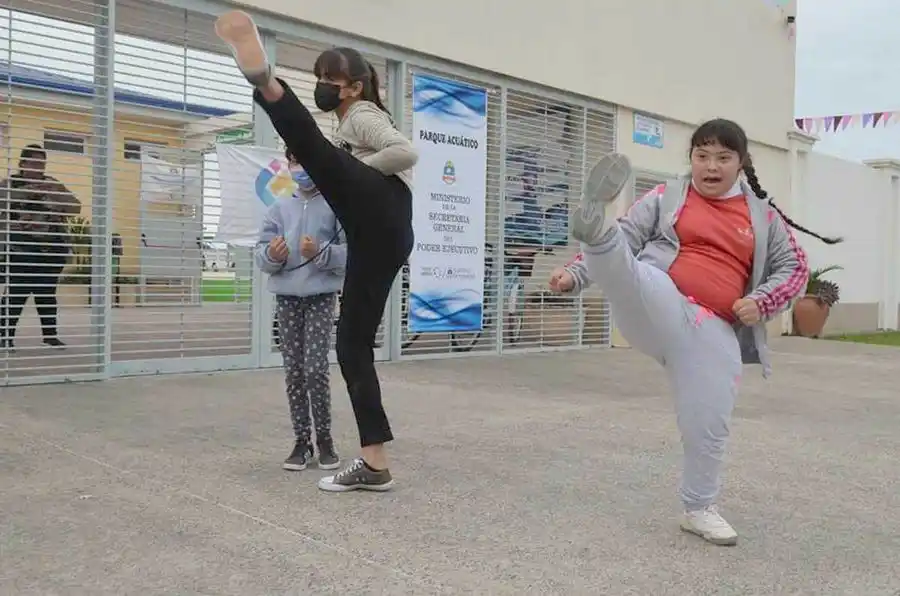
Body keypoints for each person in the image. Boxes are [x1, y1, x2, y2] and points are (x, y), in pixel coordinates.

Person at [550, 118, 841, 546]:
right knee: (637, 276)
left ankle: (699, 509)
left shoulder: (762, 215)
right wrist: (575, 275)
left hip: (715, 330)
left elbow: (795, 269)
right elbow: (632, 235)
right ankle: (595, 229)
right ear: (690, 159)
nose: (711, 166)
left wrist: (760, 302)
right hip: (662, 302)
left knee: (707, 421)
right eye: (702, 156)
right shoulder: (668, 196)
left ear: (741, 163)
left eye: (723, 157)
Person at [216, 11, 417, 492]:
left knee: (312, 147)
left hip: (380, 209)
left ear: (353, 87)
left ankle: (265, 81)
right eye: (321, 79)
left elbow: (404, 152)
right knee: (351, 344)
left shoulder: (361, 114)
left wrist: (355, 163)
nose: (325, 86)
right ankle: (374, 462)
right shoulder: (348, 120)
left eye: (331, 80)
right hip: (380, 234)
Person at [256, 149, 346, 473]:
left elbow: (349, 252)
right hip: (288, 299)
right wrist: (272, 254)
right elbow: (261, 255)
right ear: (288, 166)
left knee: (315, 368)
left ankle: (325, 440)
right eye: (295, 162)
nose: (301, 168)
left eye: (306, 161)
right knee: (293, 370)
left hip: (321, 296)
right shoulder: (278, 209)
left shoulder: (336, 205)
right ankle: (301, 441)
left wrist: (319, 252)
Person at [0, 144, 81, 351]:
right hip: (20, 248)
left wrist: (56, 194)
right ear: (23, 164)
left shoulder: (52, 184)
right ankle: (4, 336)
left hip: (50, 248)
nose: (39, 168)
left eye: (42, 164)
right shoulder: (10, 185)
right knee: (16, 293)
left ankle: (50, 335)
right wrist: (28, 192)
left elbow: (75, 207)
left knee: (46, 293)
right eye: (35, 163)